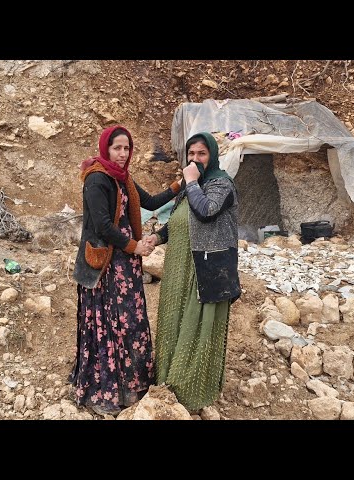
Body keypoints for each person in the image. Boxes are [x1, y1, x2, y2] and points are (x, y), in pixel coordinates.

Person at [70, 125, 182, 416]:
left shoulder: (124, 179)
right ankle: (105, 389)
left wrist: (179, 186)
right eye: (117, 148)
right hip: (107, 264)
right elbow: (103, 226)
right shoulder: (97, 179)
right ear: (105, 148)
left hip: (125, 263)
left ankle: (130, 383)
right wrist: (134, 246)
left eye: (126, 148)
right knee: (110, 323)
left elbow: (151, 202)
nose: (122, 154)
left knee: (128, 321)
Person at [144, 132, 241, 412]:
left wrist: (189, 180)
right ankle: (167, 380)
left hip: (206, 268)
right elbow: (180, 219)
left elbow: (206, 211)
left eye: (201, 154)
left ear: (211, 156)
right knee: (175, 318)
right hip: (179, 265)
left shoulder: (221, 184)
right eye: (191, 154)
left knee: (198, 322)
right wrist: (158, 237)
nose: (195, 159)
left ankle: (191, 390)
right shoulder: (193, 186)